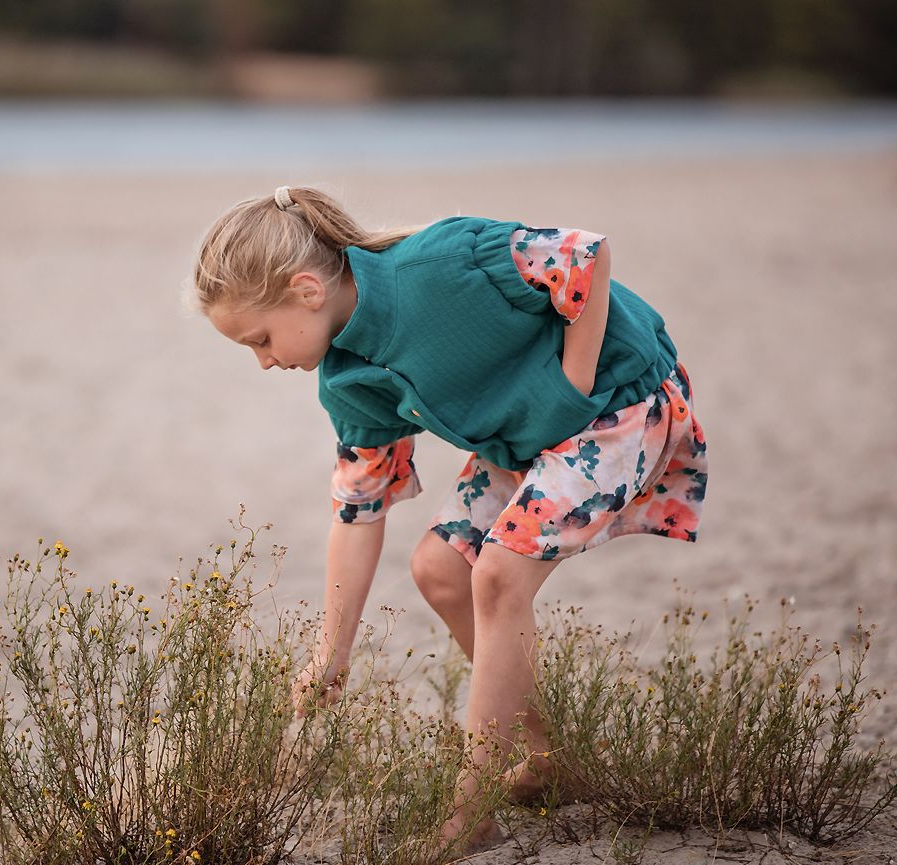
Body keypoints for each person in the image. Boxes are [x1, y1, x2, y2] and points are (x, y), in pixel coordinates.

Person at [189, 185, 708, 854]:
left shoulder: (441, 262)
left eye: (260, 339)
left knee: (498, 574)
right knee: (439, 570)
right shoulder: (347, 382)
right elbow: (358, 510)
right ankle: (552, 760)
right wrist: (331, 653)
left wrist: (572, 384)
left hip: (619, 403)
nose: (263, 361)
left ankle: (473, 810)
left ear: (306, 290)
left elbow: (585, 255)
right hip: (528, 437)